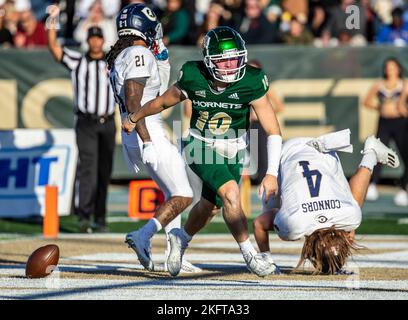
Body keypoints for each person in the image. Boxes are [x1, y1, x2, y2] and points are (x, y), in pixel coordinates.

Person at [124, 26, 283, 277]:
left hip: (235, 146)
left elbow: (272, 129)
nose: (231, 66)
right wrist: (135, 117)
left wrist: (272, 172)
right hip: (200, 144)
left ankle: (181, 238)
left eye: (235, 58)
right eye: (224, 60)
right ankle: (250, 254)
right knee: (231, 193)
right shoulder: (194, 74)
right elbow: (163, 101)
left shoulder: (252, 80)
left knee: (212, 206)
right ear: (209, 62)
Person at [106, 3, 200, 273]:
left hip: (136, 134)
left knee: (173, 192)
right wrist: (147, 140)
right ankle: (143, 235)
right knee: (184, 194)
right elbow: (134, 98)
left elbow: (153, 92)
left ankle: (174, 254)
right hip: (148, 131)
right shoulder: (137, 52)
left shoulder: (125, 54)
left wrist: (162, 59)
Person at [253, 129, 400, 274]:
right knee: (271, 211)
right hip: (288, 152)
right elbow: (259, 224)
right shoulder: (292, 227)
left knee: (352, 213)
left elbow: (349, 230)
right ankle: (371, 153)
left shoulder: (349, 217)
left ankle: (370, 154)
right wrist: (268, 261)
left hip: (324, 152)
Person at [47, 5, 116, 233]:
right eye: (92, 39)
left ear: (103, 40)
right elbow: (55, 49)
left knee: (104, 170)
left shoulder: (112, 62)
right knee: (88, 167)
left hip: (108, 122)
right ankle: (84, 217)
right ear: (88, 40)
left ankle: (100, 217)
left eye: (99, 39)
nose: (96, 43)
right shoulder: (78, 61)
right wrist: (52, 22)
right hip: (86, 121)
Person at [363, 57, 408, 205]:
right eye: (388, 67)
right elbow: (367, 102)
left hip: (400, 123)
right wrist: (379, 107)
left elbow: (402, 106)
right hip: (384, 123)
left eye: (393, 67)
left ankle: (403, 188)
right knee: (377, 153)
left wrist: (402, 106)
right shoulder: (379, 85)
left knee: (406, 155)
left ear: (398, 69)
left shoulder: (404, 84)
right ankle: (372, 185)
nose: (390, 69)